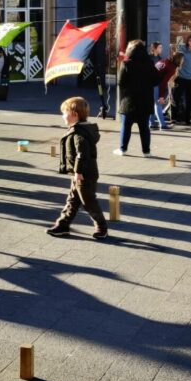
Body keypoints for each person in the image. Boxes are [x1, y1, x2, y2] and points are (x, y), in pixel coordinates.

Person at [46, 96, 108, 240]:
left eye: (64, 113)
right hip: (80, 174)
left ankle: (102, 227)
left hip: (84, 174)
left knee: (88, 201)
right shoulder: (80, 129)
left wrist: (78, 171)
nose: (62, 116)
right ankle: (63, 225)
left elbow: (82, 154)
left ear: (74, 114)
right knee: (73, 200)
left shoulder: (79, 133)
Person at [114, 39, 159, 157]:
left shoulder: (126, 63)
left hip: (129, 100)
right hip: (145, 99)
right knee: (144, 127)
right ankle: (146, 151)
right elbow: (156, 80)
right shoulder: (149, 63)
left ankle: (123, 149)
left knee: (126, 125)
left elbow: (120, 82)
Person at [152, 52, 183, 130]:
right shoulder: (171, 68)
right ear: (179, 60)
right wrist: (161, 96)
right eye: (183, 59)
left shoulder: (164, 61)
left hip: (149, 82)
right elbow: (163, 82)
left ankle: (151, 123)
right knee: (158, 104)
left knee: (152, 104)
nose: (183, 61)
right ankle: (163, 125)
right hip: (155, 83)